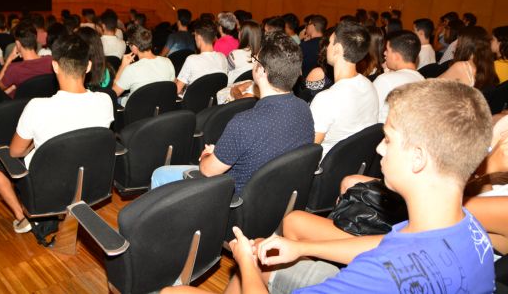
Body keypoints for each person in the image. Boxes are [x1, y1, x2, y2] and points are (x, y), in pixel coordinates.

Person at [164, 80, 496, 294]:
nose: (379, 148)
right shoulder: (465, 226)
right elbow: (384, 245)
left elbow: (383, 264)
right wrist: (303, 248)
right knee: (274, 248)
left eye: (390, 139)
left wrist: (246, 263)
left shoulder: (377, 279)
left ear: (418, 158)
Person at [151, 31, 314, 194]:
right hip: (275, 198)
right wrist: (223, 152)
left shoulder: (245, 123)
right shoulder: (305, 110)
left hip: (232, 199)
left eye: (255, 60)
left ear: (261, 71)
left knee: (160, 174)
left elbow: (208, 170)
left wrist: (208, 156)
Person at [0, 35, 114, 233]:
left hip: (47, 188)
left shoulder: (37, 107)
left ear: (54, 66)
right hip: (92, 181)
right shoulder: (105, 100)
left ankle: (21, 217)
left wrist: (34, 142)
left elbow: (16, 153)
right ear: (87, 67)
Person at [310, 20, 378, 159]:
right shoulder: (370, 86)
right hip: (355, 165)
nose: (327, 47)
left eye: (329, 42)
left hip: (323, 173)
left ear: (337, 49)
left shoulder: (327, 99)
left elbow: (307, 151)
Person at [112, 25, 175, 104]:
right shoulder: (168, 62)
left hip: (136, 112)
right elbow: (173, 88)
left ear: (134, 47)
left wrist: (122, 66)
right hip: (161, 109)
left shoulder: (131, 69)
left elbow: (113, 94)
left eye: (128, 44)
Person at [373, 30, 424, 123]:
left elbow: (367, 115)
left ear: (396, 56)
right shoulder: (422, 80)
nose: (384, 53)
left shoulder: (385, 80)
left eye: (387, 50)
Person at [0, 21, 53, 97]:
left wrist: (9, 59)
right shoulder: (50, 61)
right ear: (35, 40)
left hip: (21, 106)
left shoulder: (14, 69)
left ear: (18, 44)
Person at [175, 20, 227, 96]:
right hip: (215, 105)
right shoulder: (222, 57)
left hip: (192, 105)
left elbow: (177, 89)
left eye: (195, 35)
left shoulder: (192, 60)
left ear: (199, 37)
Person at [439, 25, 498, 90]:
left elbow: (431, 87)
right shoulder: (488, 66)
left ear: (466, 44)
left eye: (459, 41)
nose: (455, 44)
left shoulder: (462, 67)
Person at [227, 21, 261, 85]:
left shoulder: (234, 55)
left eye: (239, 31)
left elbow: (226, 74)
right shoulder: (263, 55)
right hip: (254, 90)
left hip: (233, 90)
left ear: (243, 35)